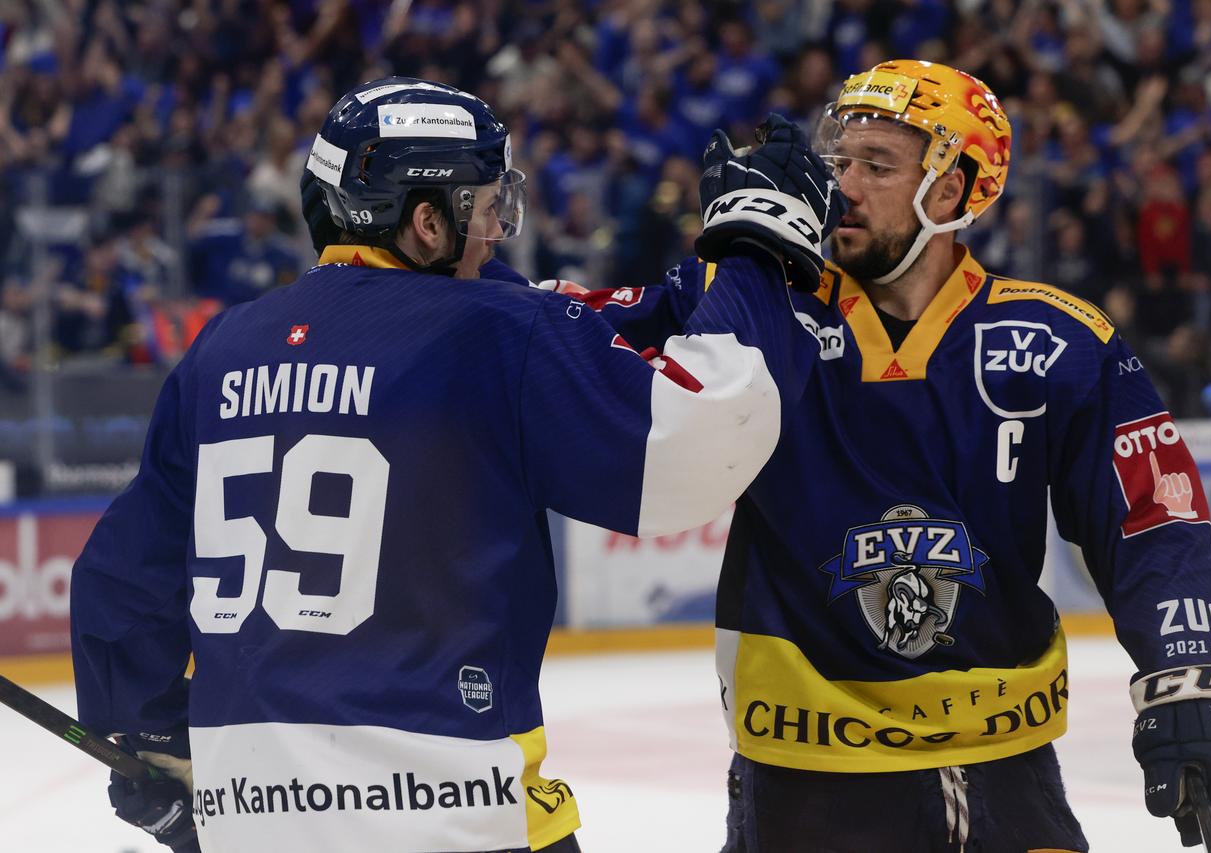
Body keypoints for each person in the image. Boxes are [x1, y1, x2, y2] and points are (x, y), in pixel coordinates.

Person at [69, 78, 844, 853]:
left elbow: (121, 582)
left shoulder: (222, 348)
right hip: (452, 809)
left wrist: (150, 747)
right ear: (426, 220)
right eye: (483, 204)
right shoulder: (490, 331)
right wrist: (752, 253)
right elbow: (695, 440)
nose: (496, 230)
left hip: (256, 820)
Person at [564, 60, 1211, 852]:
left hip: (1010, 767)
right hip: (808, 778)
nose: (841, 187)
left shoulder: (1060, 338)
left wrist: (1186, 675)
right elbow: (561, 330)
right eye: (838, 163)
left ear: (951, 190)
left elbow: (1153, 513)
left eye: (877, 166)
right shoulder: (756, 303)